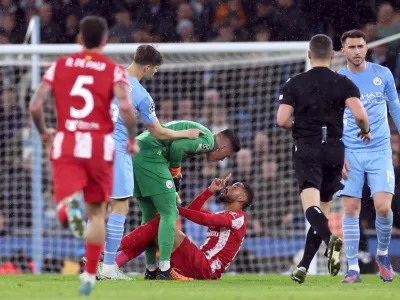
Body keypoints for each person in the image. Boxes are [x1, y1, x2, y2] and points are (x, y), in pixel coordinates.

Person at [29, 16, 139, 295]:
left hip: (67, 143)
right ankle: (90, 275)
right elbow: (126, 108)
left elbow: (36, 105)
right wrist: (132, 138)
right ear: (106, 40)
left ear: (79, 39)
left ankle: (68, 212)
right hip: (100, 148)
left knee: (67, 207)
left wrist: (43, 131)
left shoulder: (60, 65)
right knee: (99, 213)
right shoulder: (114, 71)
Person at [102, 45, 204, 280]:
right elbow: (158, 132)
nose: (154, 73)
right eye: (154, 70)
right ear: (147, 67)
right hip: (116, 148)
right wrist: (184, 134)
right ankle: (108, 268)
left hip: (92, 143)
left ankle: (92, 263)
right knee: (119, 205)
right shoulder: (141, 95)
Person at [276, 34, 371, 283]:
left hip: (307, 147)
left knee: (311, 208)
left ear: (309, 55)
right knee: (323, 212)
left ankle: (331, 241)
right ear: (332, 55)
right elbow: (360, 115)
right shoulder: (344, 83)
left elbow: (282, 120)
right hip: (335, 150)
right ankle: (304, 266)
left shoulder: (294, 83)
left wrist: (301, 128)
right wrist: (365, 130)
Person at [99, 120, 240, 280]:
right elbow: (177, 148)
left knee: (149, 217)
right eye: (225, 156)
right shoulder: (208, 140)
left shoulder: (199, 130)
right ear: (224, 148)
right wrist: (175, 171)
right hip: (151, 156)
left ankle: (150, 267)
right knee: (169, 212)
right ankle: (164, 268)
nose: (221, 160)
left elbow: (173, 144)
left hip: (136, 153)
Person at [337, 29, 399, 283]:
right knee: (351, 208)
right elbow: (329, 120)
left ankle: (382, 255)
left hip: (379, 150)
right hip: (350, 151)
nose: (357, 51)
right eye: (351, 47)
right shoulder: (338, 80)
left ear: (366, 48)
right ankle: (353, 269)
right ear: (344, 51)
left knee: (383, 208)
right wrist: (336, 152)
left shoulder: (382, 74)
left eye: (360, 46)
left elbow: (394, 106)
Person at [114, 173, 254, 280]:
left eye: (235, 187)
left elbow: (205, 219)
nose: (228, 187)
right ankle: (113, 264)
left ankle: (111, 249)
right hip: (199, 263)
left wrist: (173, 208)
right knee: (155, 233)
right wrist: (210, 190)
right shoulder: (224, 214)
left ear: (242, 199)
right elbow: (193, 209)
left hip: (207, 266)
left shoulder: (239, 217)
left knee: (160, 224)